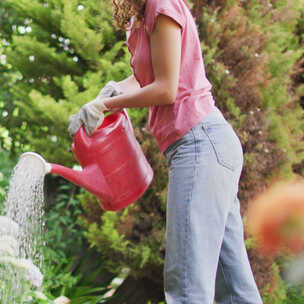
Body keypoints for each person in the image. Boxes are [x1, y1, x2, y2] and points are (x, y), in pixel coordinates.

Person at [68, 0, 263, 303]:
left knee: (187, 283)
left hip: (201, 144)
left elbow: (166, 88)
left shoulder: (161, 5)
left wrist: (106, 105)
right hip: (205, 147)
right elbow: (144, 78)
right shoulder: (142, 16)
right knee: (234, 287)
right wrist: (107, 94)